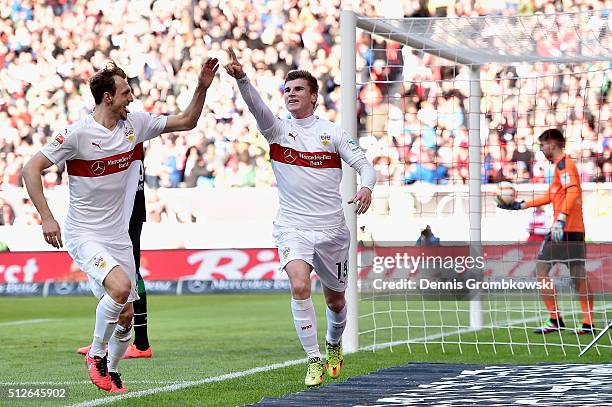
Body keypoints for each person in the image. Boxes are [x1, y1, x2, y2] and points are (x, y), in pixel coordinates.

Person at [22, 59, 218, 393]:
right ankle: (96, 356)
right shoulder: (78, 134)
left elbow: (187, 120)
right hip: (84, 234)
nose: (132, 98)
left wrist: (201, 86)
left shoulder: (135, 125)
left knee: (126, 313)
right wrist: (47, 217)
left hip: (117, 236)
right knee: (120, 286)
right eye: (126, 92)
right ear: (107, 98)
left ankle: (111, 371)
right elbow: (30, 169)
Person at [225, 48, 376, 387]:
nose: (290, 94)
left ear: (313, 97)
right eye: (287, 90)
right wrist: (242, 78)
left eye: (297, 89)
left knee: (336, 300)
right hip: (293, 227)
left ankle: (333, 345)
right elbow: (256, 106)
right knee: (298, 285)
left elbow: (365, 165)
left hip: (332, 231)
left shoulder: (332, 133)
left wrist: (366, 187)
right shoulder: (277, 131)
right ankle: (313, 360)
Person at [497, 129, 592, 335]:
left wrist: (561, 218)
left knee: (541, 270)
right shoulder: (561, 168)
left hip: (563, 228)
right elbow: (552, 195)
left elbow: (574, 191)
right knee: (577, 275)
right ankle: (588, 323)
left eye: (542, 145)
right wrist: (521, 205)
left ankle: (555, 319)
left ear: (552, 143)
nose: (541, 149)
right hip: (573, 229)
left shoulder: (565, 164)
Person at [76, 153, 153, 359]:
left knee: (125, 275)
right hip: (126, 209)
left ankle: (139, 342)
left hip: (123, 212)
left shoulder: (126, 132)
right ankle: (120, 339)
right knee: (116, 274)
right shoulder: (129, 133)